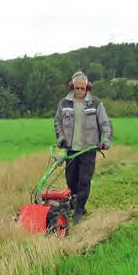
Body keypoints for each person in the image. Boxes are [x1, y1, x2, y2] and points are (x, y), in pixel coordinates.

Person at [54, 71, 112, 224]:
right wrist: (60, 138)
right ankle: (76, 203)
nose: (79, 91)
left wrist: (105, 140)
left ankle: (79, 210)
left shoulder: (95, 103)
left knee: (84, 181)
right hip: (71, 149)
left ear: (87, 87)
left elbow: (105, 124)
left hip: (88, 148)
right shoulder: (64, 103)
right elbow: (58, 122)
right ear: (72, 87)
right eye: (77, 88)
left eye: (82, 89)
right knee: (71, 180)